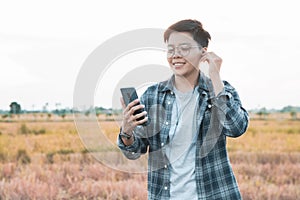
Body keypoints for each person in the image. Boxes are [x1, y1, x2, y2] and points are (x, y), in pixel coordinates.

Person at [117, 19, 249, 200]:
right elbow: (133, 152)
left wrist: (215, 77)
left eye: (184, 48)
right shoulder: (153, 95)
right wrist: (127, 131)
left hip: (214, 194)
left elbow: (236, 128)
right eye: (171, 50)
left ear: (204, 52)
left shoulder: (221, 90)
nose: (176, 55)